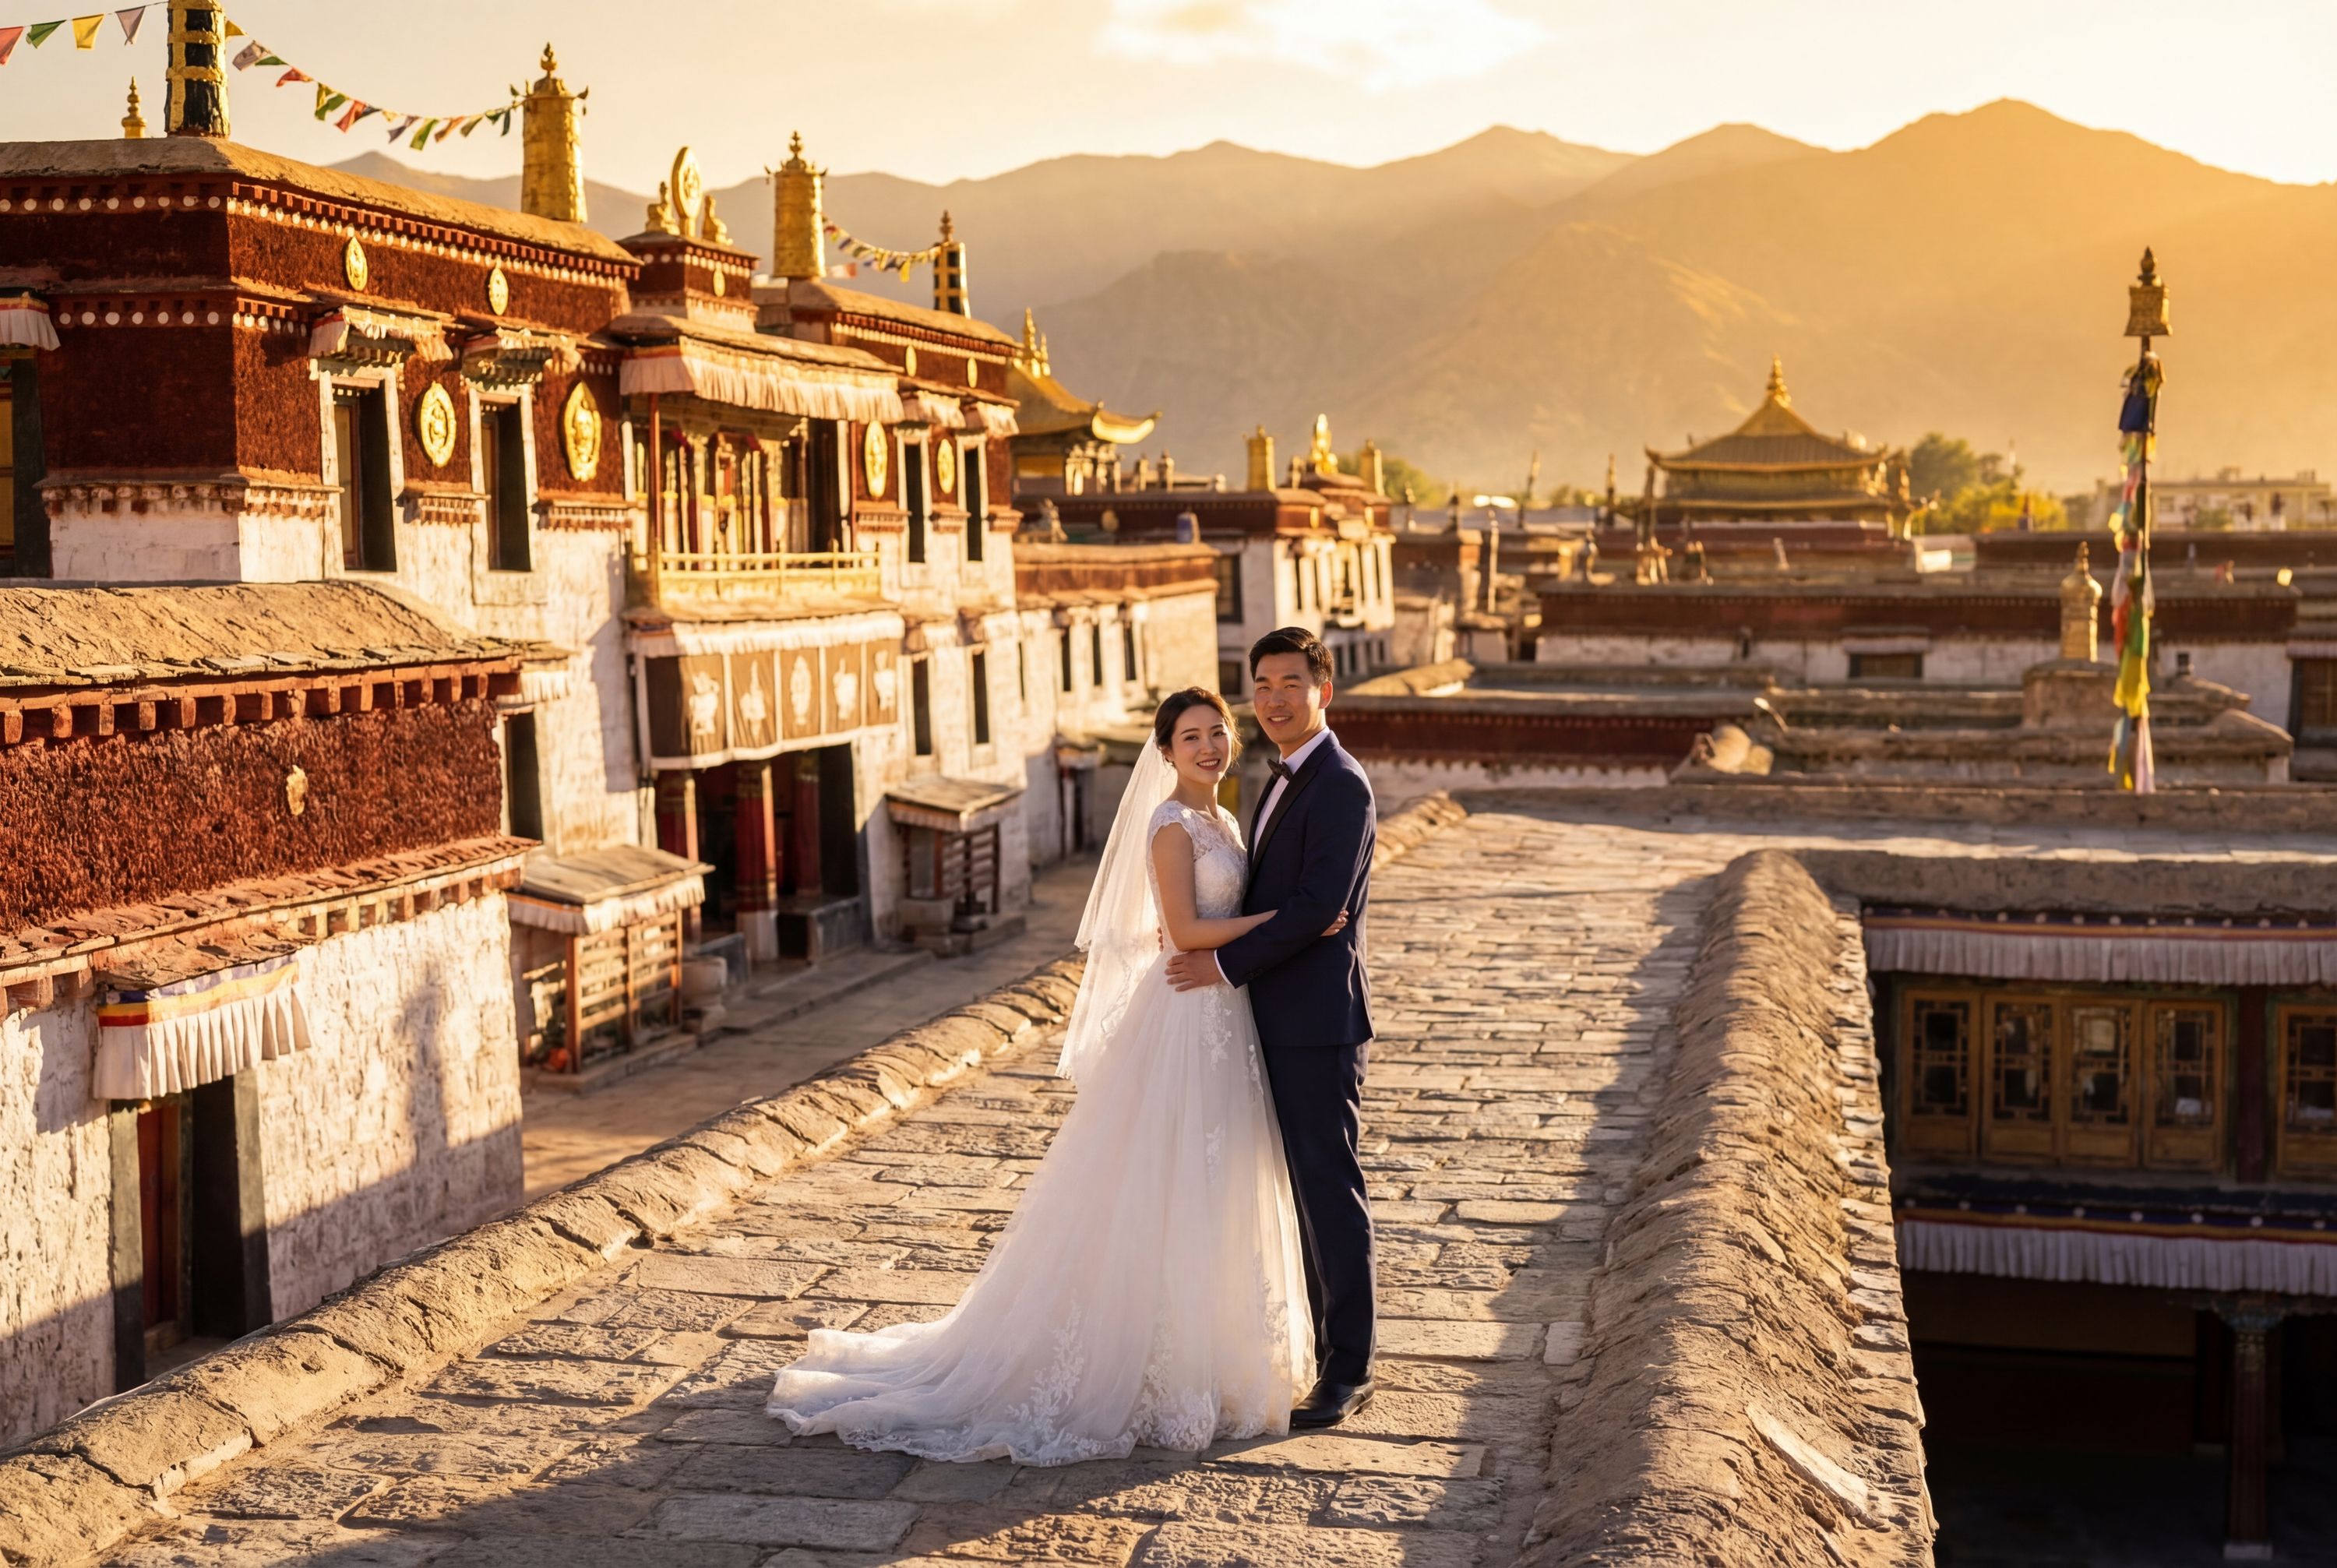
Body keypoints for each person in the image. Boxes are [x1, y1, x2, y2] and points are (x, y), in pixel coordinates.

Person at [766, 687, 1348, 1464]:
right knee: (1163, 1180)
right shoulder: (1171, 823)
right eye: (1189, 738)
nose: (1207, 748)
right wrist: (1287, 922)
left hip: (1226, 1016)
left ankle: (1214, 1354)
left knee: (1219, 1183)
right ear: (1165, 752)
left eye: (1216, 734)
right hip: (1183, 1014)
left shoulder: (1226, 821)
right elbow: (1182, 930)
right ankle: (1138, 1363)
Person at [1166, 626, 1380, 1430]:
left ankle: (1348, 1369)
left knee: (1330, 1189)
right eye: (1262, 685)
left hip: (1317, 1023)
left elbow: (1320, 908)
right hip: (1270, 1020)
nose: (1275, 699)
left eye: (1291, 683)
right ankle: (1323, 1346)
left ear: (1324, 690)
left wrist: (1222, 967)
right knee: (1299, 1191)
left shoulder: (1341, 783)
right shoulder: (1277, 774)